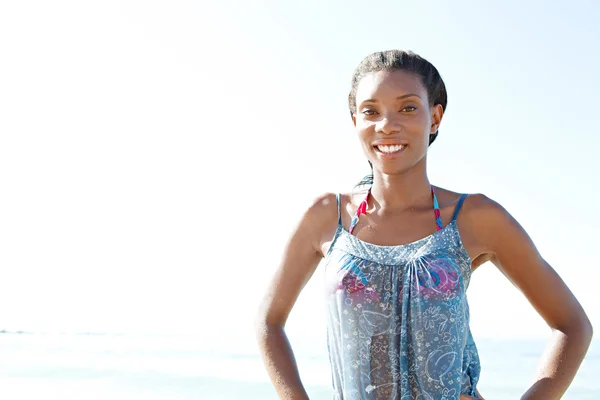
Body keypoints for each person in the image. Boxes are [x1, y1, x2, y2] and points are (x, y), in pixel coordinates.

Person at [255, 49, 593, 400]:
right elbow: (268, 321)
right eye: (371, 111)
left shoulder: (473, 217)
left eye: (408, 108)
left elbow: (572, 326)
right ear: (355, 121)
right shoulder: (328, 217)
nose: (387, 124)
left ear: (435, 118)